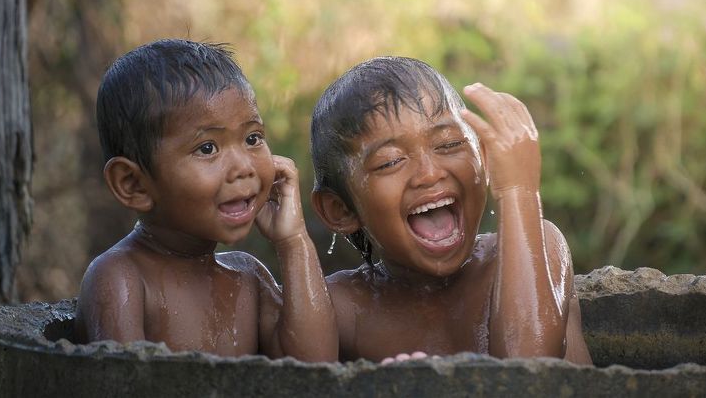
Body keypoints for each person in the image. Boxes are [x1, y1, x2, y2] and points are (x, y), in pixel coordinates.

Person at [310, 56, 592, 364]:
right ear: (340, 210)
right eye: (390, 161)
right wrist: (293, 242)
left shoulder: (540, 251)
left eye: (448, 144)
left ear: (485, 158)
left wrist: (519, 191)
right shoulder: (345, 308)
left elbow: (529, 368)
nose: (430, 174)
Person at [75, 39, 337, 361]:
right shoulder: (121, 278)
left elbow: (315, 367)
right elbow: (122, 382)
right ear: (134, 185)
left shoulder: (247, 277)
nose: (243, 167)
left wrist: (294, 241)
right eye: (208, 148)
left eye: (252, 138)